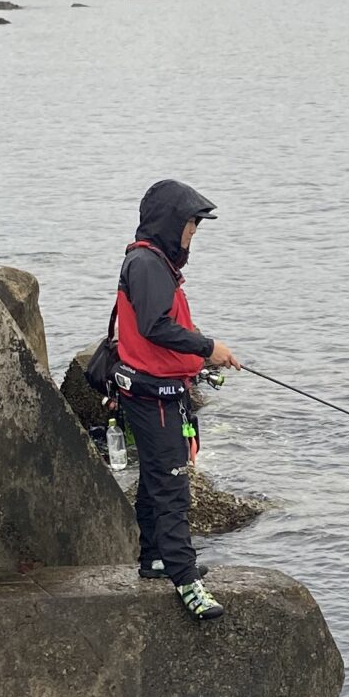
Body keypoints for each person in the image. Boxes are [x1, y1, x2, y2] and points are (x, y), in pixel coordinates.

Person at [110, 177, 240, 620]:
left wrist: (201, 361)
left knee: (154, 479)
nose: (193, 234)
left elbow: (159, 334)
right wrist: (208, 348)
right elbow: (154, 327)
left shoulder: (154, 263)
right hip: (152, 398)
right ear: (169, 224)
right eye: (190, 225)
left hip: (158, 393)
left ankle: (154, 559)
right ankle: (187, 582)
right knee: (172, 487)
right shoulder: (147, 265)